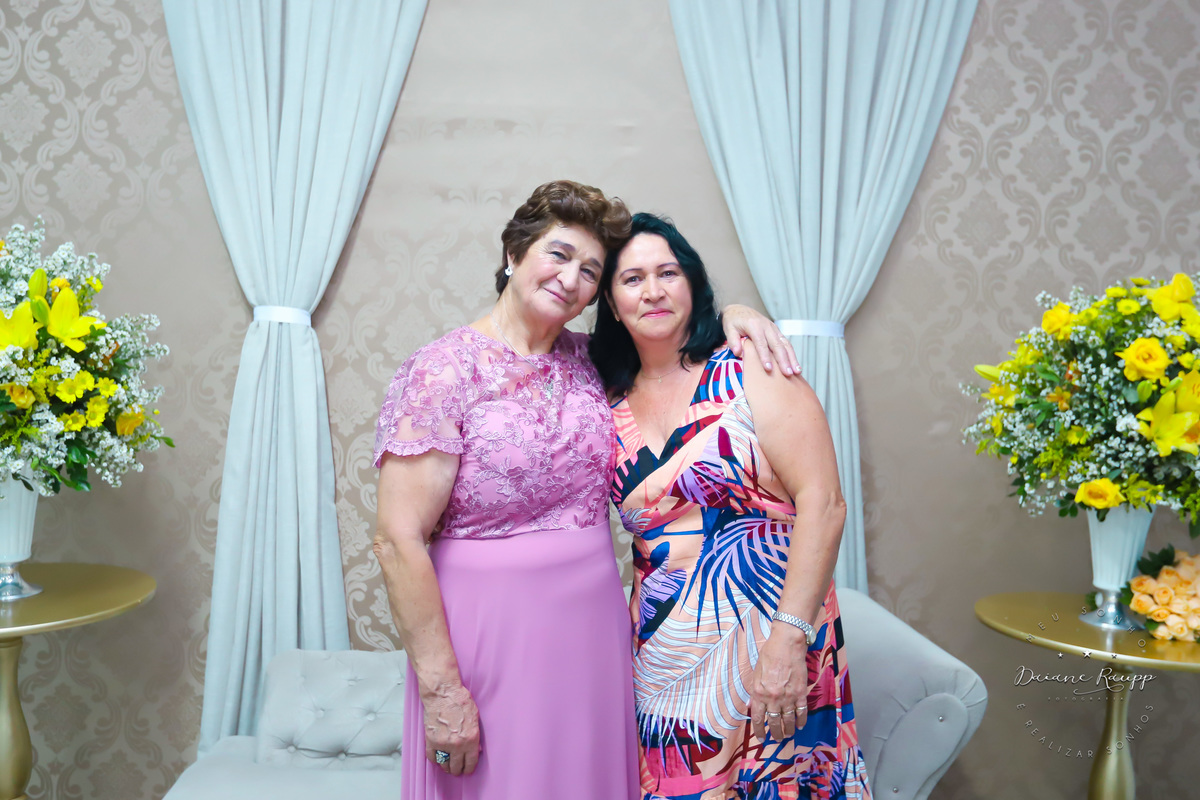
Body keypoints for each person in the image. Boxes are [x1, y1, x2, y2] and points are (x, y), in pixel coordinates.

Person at [371, 181, 800, 800]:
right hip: (489, 636)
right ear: (513, 254)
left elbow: (671, 328)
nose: (571, 279)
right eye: (559, 254)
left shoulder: (594, 360)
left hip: (592, 636)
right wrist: (441, 689)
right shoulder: (442, 371)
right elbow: (396, 539)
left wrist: (737, 315)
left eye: (591, 271)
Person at [590, 213, 872, 800]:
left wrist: (789, 639)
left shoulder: (750, 370)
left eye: (668, 273)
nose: (653, 290)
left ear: (693, 284)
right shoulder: (602, 400)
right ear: (611, 303)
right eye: (633, 279)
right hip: (668, 666)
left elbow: (824, 503)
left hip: (781, 633)